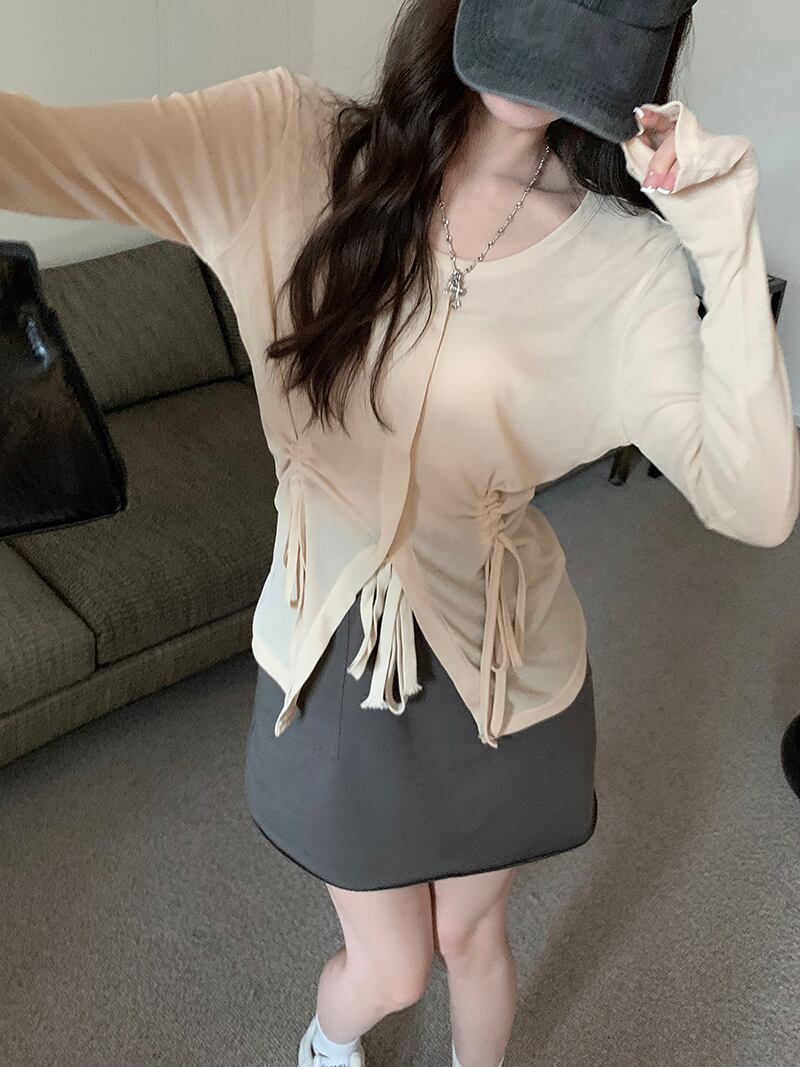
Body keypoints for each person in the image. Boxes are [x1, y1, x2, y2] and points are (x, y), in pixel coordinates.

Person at [1, 1, 797, 1066]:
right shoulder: (284, 142)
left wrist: (725, 243)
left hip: (504, 672)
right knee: (392, 967)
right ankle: (328, 1043)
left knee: (472, 935)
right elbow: (34, 148)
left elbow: (755, 502)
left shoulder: (627, 264)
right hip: (330, 659)